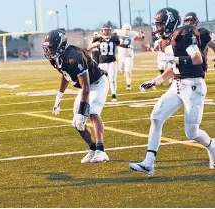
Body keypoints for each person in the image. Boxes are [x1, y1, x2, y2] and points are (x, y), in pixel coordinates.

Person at [129, 8, 215, 176]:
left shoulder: (183, 33)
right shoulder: (165, 41)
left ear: (169, 22)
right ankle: (149, 163)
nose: (157, 28)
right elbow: (172, 68)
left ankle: (212, 146)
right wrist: (155, 81)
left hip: (193, 85)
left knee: (192, 133)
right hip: (176, 84)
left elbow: (197, 58)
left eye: (160, 24)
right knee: (156, 117)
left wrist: (174, 59)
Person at [44, 29, 110, 163]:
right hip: (85, 87)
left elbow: (86, 87)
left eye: (50, 48)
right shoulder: (56, 58)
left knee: (93, 112)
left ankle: (101, 150)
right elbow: (65, 75)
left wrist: (82, 111)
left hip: (97, 83)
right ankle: (92, 148)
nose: (48, 51)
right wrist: (59, 98)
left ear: (60, 45)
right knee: (77, 123)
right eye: (47, 48)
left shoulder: (75, 56)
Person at [88, 25, 121, 102]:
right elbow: (89, 48)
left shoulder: (114, 38)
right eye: (105, 30)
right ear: (102, 31)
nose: (106, 31)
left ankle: (113, 94)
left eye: (108, 30)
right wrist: (95, 45)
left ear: (110, 31)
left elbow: (119, 43)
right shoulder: (98, 39)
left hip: (112, 62)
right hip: (102, 63)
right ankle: (101, 95)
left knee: (112, 79)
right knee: (100, 80)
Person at [115, 24, 145, 91]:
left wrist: (142, 34)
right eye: (126, 29)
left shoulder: (132, 35)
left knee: (127, 71)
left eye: (128, 29)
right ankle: (127, 76)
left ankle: (128, 85)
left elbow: (141, 39)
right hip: (121, 56)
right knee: (121, 70)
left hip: (129, 56)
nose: (127, 31)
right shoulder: (119, 34)